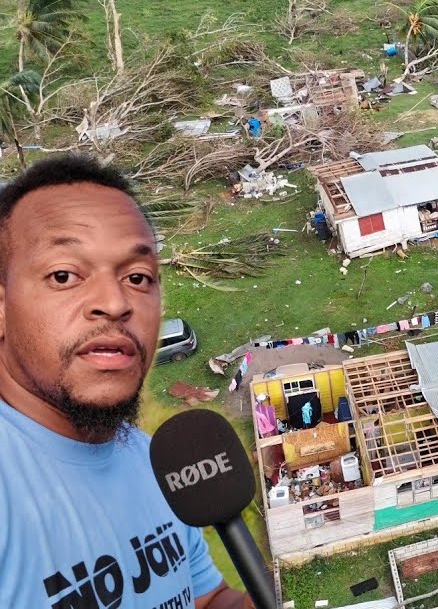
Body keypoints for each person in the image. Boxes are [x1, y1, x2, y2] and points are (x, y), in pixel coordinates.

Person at [0, 156, 254, 608]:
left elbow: (203, 597)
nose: (115, 302)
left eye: (138, 277)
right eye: (64, 275)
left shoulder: (150, 459)